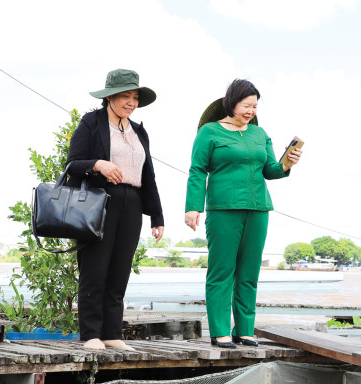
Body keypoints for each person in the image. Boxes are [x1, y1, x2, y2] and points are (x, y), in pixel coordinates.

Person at [185, 79, 302, 349]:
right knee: (222, 270)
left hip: (259, 209)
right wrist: (193, 207)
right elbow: (197, 170)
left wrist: (287, 164)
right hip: (223, 209)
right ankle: (220, 331)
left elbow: (270, 171)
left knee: (249, 273)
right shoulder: (209, 132)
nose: (251, 110)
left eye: (255, 106)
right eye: (246, 105)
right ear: (232, 103)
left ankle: (245, 330)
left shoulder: (260, 135)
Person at [66, 69, 165, 351]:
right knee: (95, 270)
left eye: (135, 97)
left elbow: (149, 175)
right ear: (110, 97)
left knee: (120, 270)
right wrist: (98, 164)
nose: (131, 102)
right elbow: (72, 163)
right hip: (99, 201)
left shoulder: (139, 131)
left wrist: (156, 216)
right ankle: (90, 334)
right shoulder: (92, 123)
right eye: (125, 96)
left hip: (131, 202)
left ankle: (112, 333)